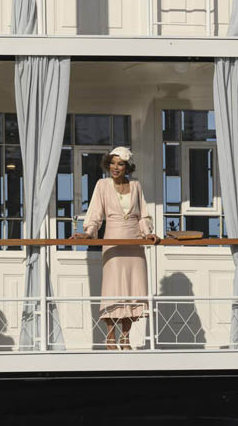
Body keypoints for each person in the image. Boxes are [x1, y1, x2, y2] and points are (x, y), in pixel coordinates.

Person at [71, 147, 159, 350]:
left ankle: (125, 338)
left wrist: (148, 233)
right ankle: (110, 336)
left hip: (134, 243)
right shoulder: (102, 185)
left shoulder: (136, 186)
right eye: (112, 163)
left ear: (127, 167)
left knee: (131, 288)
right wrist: (89, 232)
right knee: (113, 289)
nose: (115, 167)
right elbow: (95, 214)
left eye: (120, 164)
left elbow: (143, 215)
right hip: (113, 241)